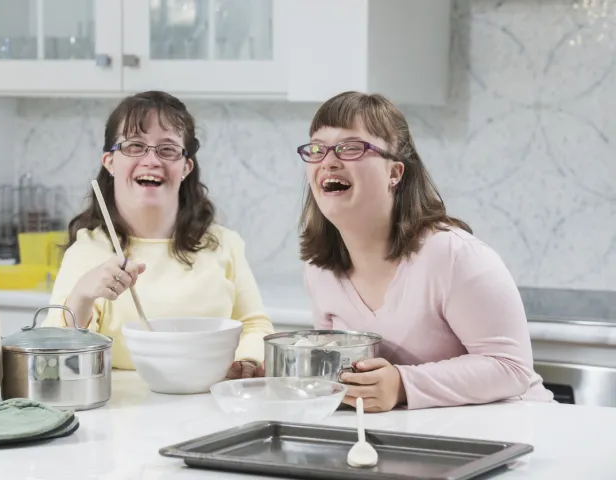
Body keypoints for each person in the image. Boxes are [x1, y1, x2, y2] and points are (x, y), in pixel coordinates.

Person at [297, 91, 554, 412]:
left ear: (395, 173)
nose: (328, 161)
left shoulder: (455, 256)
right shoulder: (319, 271)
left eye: (350, 148)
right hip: (414, 436)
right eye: (317, 149)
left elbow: (511, 368)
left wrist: (403, 385)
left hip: (516, 433)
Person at [42, 90, 272, 379]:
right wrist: (83, 294)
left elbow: (255, 326)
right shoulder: (87, 252)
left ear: (186, 167)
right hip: (124, 411)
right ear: (110, 162)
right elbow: (56, 354)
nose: (151, 160)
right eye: (135, 146)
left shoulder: (225, 245)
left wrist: (248, 363)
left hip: (212, 404)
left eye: (167, 149)